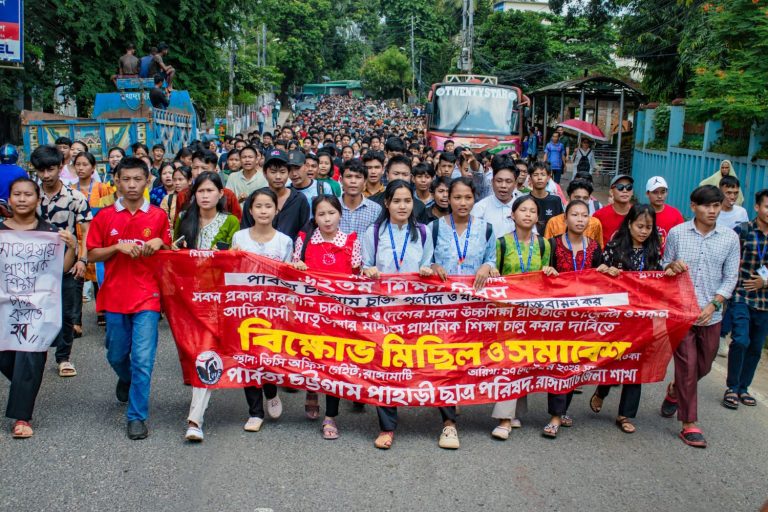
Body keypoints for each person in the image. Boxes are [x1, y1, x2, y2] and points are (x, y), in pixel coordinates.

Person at [86, 157, 171, 440]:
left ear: (147, 181)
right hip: (114, 296)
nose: (132, 185)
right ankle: (126, 378)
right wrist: (116, 248)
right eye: (126, 179)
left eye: (138, 179)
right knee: (116, 354)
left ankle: (136, 416)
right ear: (117, 182)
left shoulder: (158, 216)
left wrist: (160, 242)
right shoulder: (104, 216)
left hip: (148, 295)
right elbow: (92, 253)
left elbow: (170, 250)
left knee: (143, 359)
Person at [661, 185, 740, 448]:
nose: (712, 210)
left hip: (711, 315)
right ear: (693, 206)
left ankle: (675, 391)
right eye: (707, 205)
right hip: (681, 314)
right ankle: (689, 423)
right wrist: (671, 267)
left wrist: (715, 304)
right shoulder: (677, 233)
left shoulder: (729, 238)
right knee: (687, 365)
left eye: (716, 205)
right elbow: (664, 266)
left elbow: (731, 277)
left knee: (703, 366)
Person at [0, 178, 77, 438]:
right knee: (7, 358)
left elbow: (61, 270)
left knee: (29, 356)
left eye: (28, 195)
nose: (22, 199)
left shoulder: (50, 233)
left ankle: (22, 417)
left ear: (37, 199)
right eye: (17, 195)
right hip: (4, 310)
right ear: (9, 199)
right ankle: (26, 385)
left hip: (37, 310)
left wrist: (72, 247)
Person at [361, 180, 434, 449]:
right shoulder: (374, 232)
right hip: (383, 310)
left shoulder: (423, 232)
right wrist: (367, 270)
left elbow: (428, 262)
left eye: (407, 201)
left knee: (422, 361)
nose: (402, 206)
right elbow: (365, 264)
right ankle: (387, 426)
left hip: (416, 311)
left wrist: (427, 269)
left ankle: (442, 417)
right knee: (385, 366)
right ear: (387, 203)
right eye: (397, 201)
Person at [429, 177, 499, 449]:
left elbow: (492, 258)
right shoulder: (433, 228)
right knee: (445, 361)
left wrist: (488, 265)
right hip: (441, 309)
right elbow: (426, 260)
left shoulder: (486, 229)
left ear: (474, 199)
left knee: (465, 360)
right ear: (448, 199)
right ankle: (448, 425)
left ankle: (457, 396)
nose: (462, 203)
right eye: (456, 197)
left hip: (473, 310)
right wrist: (433, 266)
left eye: (467, 197)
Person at [174, 173, 239, 442]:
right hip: (188, 297)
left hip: (218, 298)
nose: (204, 195)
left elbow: (235, 257)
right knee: (193, 350)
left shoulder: (231, 221)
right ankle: (200, 397)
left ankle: (194, 419)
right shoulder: (183, 220)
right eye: (200, 190)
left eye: (210, 190)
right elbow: (175, 254)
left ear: (220, 194)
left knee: (205, 351)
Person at [293, 195, 362, 439]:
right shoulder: (304, 240)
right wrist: (297, 268)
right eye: (321, 214)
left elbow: (357, 277)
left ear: (340, 214)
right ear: (315, 217)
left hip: (339, 316)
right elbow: (293, 273)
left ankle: (330, 416)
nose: (327, 219)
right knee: (312, 358)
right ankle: (312, 390)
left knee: (334, 364)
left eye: (331, 213)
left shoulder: (352, 242)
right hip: (311, 312)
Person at [590, 204, 663, 434]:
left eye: (648, 227)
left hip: (643, 317)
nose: (643, 231)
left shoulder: (654, 250)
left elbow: (659, 279)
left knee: (636, 364)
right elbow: (600, 278)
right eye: (640, 226)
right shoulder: (614, 248)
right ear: (629, 224)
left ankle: (625, 414)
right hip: (618, 316)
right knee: (614, 359)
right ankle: (602, 390)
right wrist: (606, 271)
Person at [491, 196, 554, 440]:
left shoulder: (544, 245)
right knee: (508, 361)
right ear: (513, 215)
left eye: (532, 211)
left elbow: (547, 277)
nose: (527, 214)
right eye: (523, 210)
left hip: (532, 314)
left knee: (523, 361)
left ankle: (516, 411)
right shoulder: (501, 243)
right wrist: (493, 271)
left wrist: (549, 271)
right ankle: (504, 419)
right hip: (506, 314)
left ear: (538, 217)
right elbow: (492, 274)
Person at [230, 188, 292, 433]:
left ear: (276, 210)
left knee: (268, 358)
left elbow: (289, 279)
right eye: (258, 206)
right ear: (250, 210)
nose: (263, 211)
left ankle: (271, 391)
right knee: (249, 358)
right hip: (245, 309)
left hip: (274, 311)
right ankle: (255, 412)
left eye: (268, 206)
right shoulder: (239, 238)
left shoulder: (284, 241)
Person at [542, 199, 604, 438]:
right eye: (575, 215)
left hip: (584, 319)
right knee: (559, 364)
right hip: (557, 318)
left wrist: (605, 272)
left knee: (574, 365)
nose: (580, 219)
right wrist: (547, 272)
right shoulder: (552, 245)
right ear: (564, 219)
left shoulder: (595, 248)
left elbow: (602, 282)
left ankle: (563, 409)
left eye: (584, 215)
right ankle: (555, 415)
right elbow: (540, 277)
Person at [32, 145, 92, 377]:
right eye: (41, 170)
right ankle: (34, 355)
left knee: (67, 314)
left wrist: (82, 260)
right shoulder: (31, 196)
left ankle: (64, 358)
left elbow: (87, 231)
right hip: (34, 267)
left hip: (67, 263)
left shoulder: (75, 197)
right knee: (36, 313)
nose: (46, 175)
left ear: (61, 167)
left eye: (51, 169)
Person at [722, 189, 768, 411]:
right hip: (741, 295)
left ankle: (744, 388)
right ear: (757, 207)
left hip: (765, 300)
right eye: (767, 206)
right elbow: (728, 260)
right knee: (741, 340)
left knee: (756, 347)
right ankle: (732, 387)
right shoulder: (742, 231)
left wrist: (764, 282)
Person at [240, 149, 309, 241]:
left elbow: (304, 232)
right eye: (273, 172)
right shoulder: (254, 199)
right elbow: (245, 231)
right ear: (265, 173)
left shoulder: (299, 199)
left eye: (282, 172)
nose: (278, 177)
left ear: (288, 173)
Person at [544, 180, 604, 247]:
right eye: (577, 197)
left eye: (585, 198)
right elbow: (547, 250)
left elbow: (599, 249)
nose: (581, 201)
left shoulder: (595, 223)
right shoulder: (554, 222)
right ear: (569, 198)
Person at [471, 159, 521, 238]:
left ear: (515, 184)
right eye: (499, 181)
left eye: (508, 181)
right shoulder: (480, 208)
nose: (503, 186)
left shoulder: (523, 207)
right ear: (492, 182)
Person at [339, 159, 382, 236]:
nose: (353, 181)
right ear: (341, 180)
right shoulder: (332, 207)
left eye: (358, 177)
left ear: (365, 181)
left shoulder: (376, 210)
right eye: (349, 176)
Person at [645, 176, 684, 248]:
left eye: (663, 192)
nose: (660, 196)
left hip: (668, 258)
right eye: (655, 192)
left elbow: (681, 238)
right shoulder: (642, 213)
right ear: (647, 194)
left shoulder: (675, 214)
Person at [594, 175, 634, 243]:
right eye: (620, 187)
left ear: (632, 192)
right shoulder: (599, 216)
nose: (625, 190)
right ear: (611, 192)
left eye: (628, 187)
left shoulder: (639, 213)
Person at [527, 162, 563, 234]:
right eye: (535, 175)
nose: (539, 178)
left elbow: (560, 223)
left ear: (548, 177)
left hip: (551, 241)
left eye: (543, 175)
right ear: (530, 178)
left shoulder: (556, 200)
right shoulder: (524, 200)